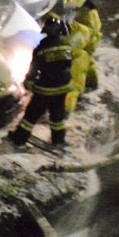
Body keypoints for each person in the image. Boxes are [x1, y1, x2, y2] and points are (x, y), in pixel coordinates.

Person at [9, 8, 84, 149]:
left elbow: (34, 68)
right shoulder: (65, 44)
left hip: (46, 89)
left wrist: (28, 83)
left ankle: (19, 139)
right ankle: (58, 141)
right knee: (57, 117)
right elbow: (68, 63)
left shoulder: (41, 47)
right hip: (63, 87)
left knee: (31, 115)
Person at [67, 0, 103, 92]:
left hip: (89, 40)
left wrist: (72, 46)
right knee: (88, 62)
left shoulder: (88, 14)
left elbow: (86, 32)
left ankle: (78, 89)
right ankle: (92, 82)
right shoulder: (89, 10)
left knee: (80, 66)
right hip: (91, 40)